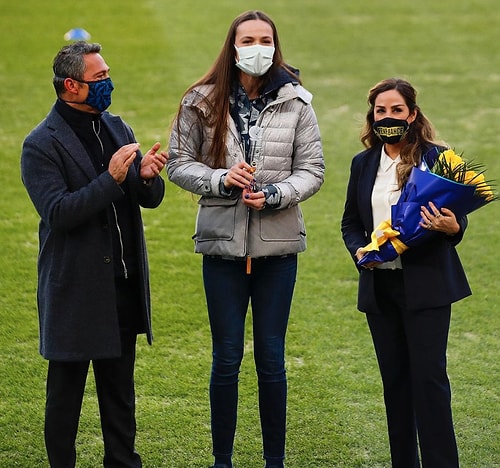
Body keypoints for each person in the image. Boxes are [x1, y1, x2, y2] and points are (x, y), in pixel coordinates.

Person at [167, 10, 324, 468]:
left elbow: (312, 171)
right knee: (227, 358)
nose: (257, 47)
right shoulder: (201, 100)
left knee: (272, 359)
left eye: (265, 39)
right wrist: (220, 179)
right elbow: (179, 162)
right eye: (248, 39)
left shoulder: (297, 102)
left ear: (276, 45)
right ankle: (223, 460)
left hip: (277, 249)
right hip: (223, 249)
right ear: (232, 47)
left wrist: (276, 194)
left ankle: (274, 459)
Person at [21, 41, 167, 468]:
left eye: (106, 75)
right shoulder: (40, 144)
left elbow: (147, 198)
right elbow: (59, 213)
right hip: (76, 291)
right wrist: (112, 178)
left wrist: (143, 177)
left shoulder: (116, 126)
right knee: (65, 396)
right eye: (99, 78)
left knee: (120, 395)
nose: (108, 84)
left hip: (119, 286)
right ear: (71, 86)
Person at [341, 78, 471, 468]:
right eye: (381, 111)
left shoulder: (439, 158)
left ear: (412, 114)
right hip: (381, 288)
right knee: (395, 386)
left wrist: (454, 228)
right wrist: (361, 253)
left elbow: (457, 218)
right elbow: (350, 223)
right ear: (372, 116)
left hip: (427, 288)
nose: (389, 117)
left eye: (397, 110)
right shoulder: (363, 163)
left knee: (429, 383)